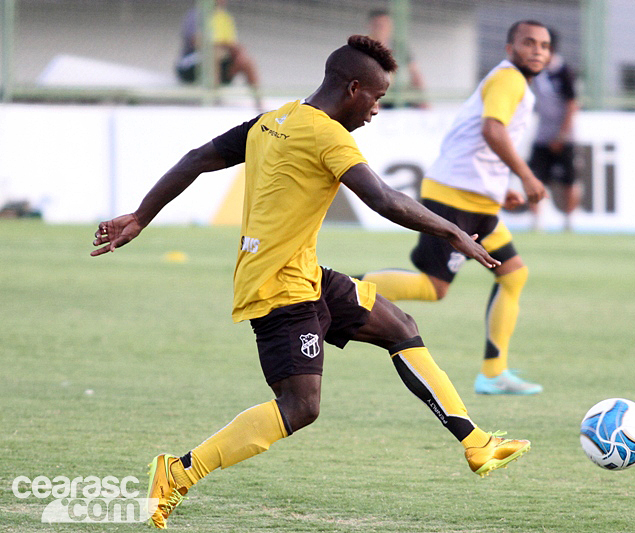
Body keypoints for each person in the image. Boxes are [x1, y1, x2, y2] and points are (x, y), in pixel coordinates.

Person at [91, 35, 530, 529]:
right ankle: (177, 472)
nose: (376, 110)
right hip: (278, 290)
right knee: (300, 408)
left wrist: (141, 216)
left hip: (306, 275)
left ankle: (476, 444)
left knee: (399, 325)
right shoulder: (329, 136)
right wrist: (452, 232)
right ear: (353, 89)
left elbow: (196, 157)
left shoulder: (274, 120)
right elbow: (384, 199)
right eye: (377, 98)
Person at [359, 21, 551, 395]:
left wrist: (501, 188)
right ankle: (344, 289)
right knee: (434, 288)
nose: (538, 50)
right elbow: (492, 130)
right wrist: (526, 177)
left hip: (476, 198)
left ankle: (493, 374)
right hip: (454, 198)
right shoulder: (509, 79)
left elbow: (489, 138)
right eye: (529, 43)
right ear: (510, 48)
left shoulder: (514, 83)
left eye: (544, 45)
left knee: (513, 275)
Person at [528, 29, 580, 231]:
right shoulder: (535, 71)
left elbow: (572, 105)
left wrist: (562, 135)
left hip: (563, 136)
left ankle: (569, 221)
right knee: (534, 178)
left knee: (568, 180)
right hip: (542, 134)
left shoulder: (564, 71)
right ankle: (536, 222)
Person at [175, 0, 262, 110]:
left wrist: (237, 50)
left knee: (245, 60)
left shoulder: (225, 18)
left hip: (219, 64)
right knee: (214, 53)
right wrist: (220, 45)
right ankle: (213, 100)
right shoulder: (196, 15)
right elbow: (196, 41)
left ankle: (258, 101)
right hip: (191, 65)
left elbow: (231, 44)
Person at [367, 8, 427, 108]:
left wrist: (424, 101)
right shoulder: (364, 46)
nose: (382, 28)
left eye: (385, 25)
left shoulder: (398, 47)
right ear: (371, 26)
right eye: (378, 25)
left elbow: (415, 73)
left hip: (394, 94)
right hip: (374, 96)